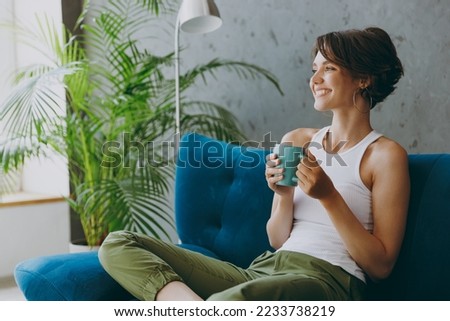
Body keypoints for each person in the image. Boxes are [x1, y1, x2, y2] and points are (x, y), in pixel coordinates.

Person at [98, 26, 410, 301]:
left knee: (229, 304)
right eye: (314, 69)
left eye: (328, 69)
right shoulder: (298, 139)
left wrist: (328, 196)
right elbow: (276, 239)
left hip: (327, 281)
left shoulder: (384, 155)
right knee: (118, 244)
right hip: (265, 269)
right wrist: (284, 195)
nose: (314, 80)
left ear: (363, 79)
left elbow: (380, 266)